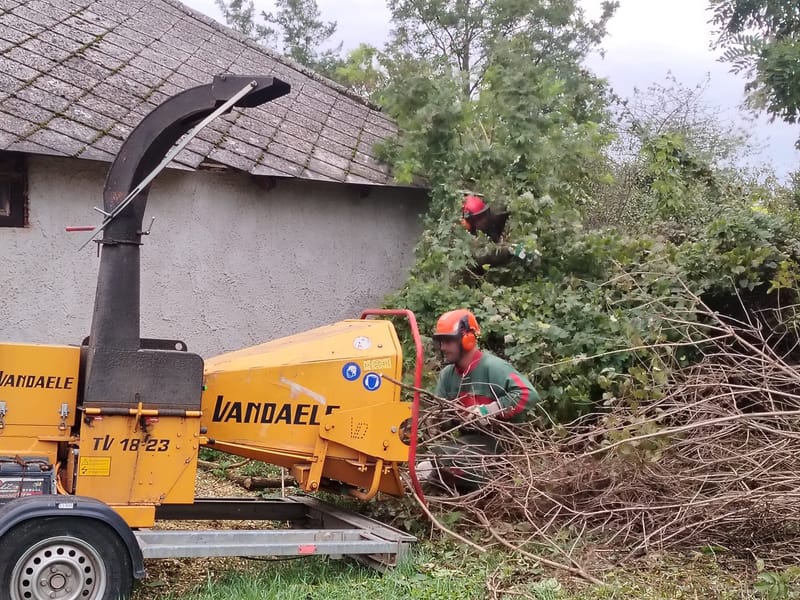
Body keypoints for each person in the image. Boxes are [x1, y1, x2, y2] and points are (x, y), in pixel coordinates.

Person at [417, 308, 538, 493]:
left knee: (447, 457)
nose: (443, 348)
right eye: (441, 342)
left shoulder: (493, 367)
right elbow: (440, 418)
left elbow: (528, 394)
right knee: (433, 456)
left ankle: (491, 486)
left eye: (448, 341)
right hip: (469, 443)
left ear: (467, 339)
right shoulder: (447, 376)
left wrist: (489, 411)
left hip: (501, 446)